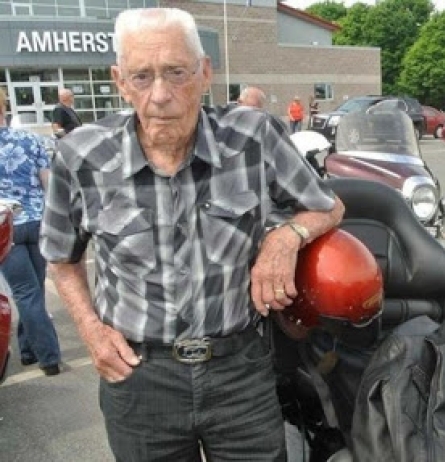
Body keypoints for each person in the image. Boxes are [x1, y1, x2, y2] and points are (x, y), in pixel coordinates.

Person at [40, 8, 344, 461]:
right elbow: (63, 260)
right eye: (141, 76)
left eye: (176, 72)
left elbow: (328, 205)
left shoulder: (253, 136)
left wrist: (286, 237)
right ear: (119, 81)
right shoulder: (81, 156)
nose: (160, 94)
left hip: (239, 372)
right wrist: (92, 331)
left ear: (204, 73)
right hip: (139, 378)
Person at [0, 88, 62, 377]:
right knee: (34, 290)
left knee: (25, 293)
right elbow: (47, 183)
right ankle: (28, 350)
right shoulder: (31, 140)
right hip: (37, 221)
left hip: (5, 226)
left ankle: (49, 357)